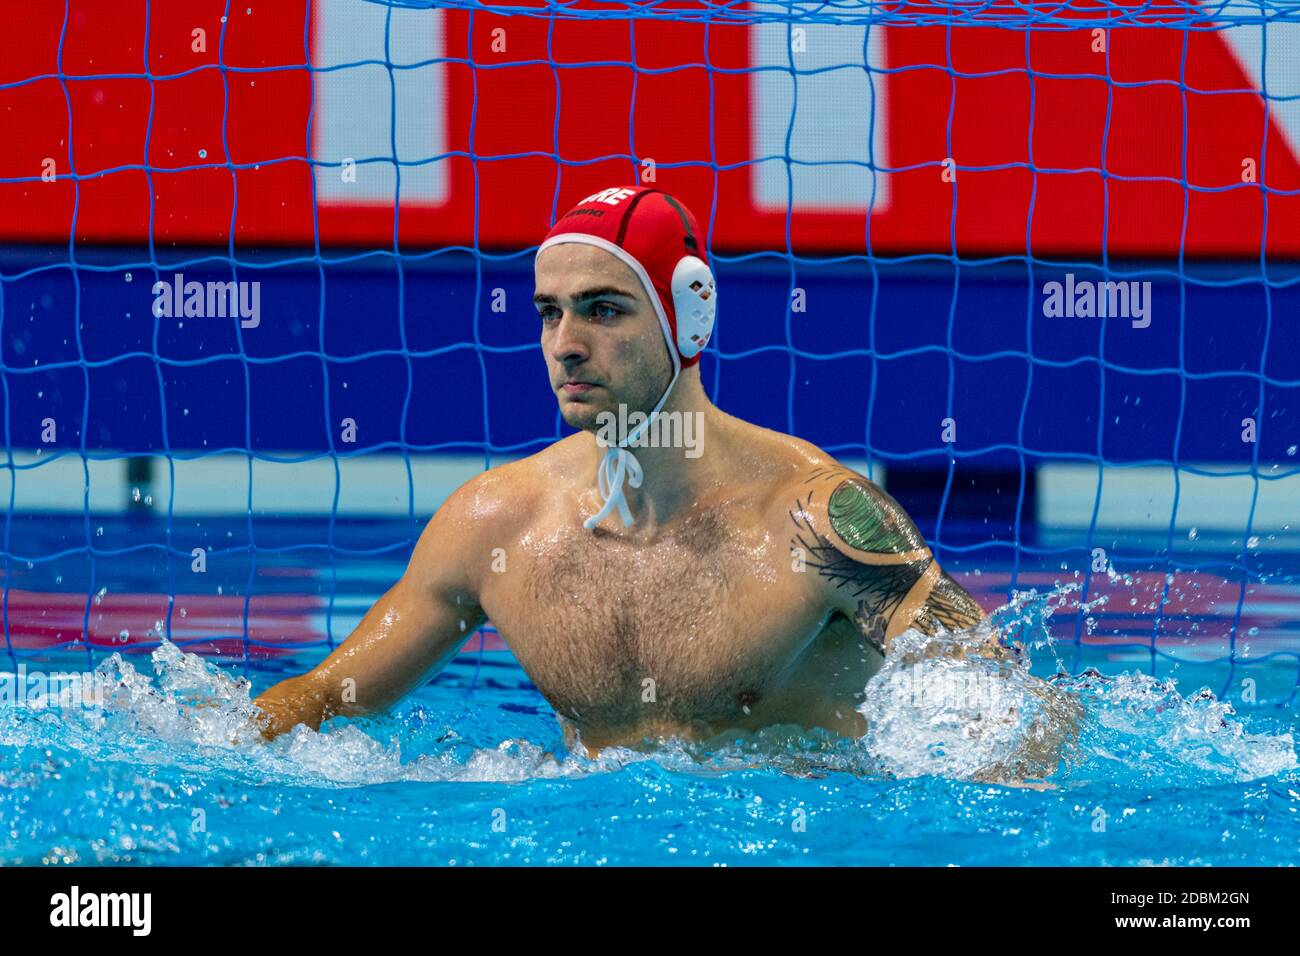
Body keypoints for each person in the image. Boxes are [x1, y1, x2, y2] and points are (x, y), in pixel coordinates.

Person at [252, 184, 1078, 780]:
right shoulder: (496, 524)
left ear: (688, 318)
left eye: (604, 310)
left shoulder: (818, 520)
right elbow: (331, 696)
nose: (566, 343)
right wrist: (215, 742)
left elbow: (1014, 712)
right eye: (550, 312)